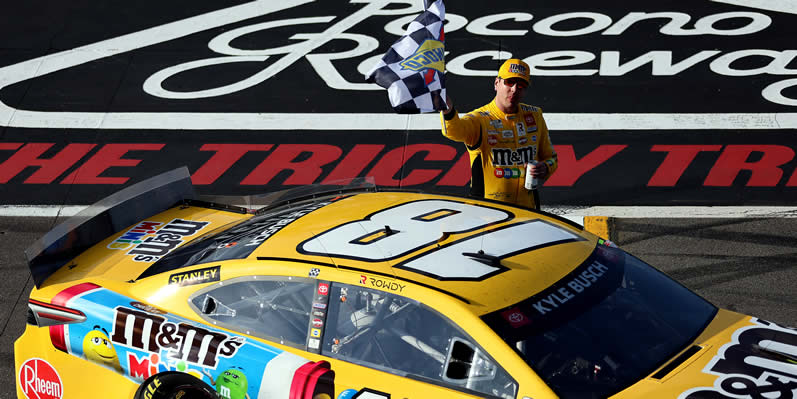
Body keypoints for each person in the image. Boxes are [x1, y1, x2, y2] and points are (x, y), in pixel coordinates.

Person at [440, 58, 558, 209]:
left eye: (521, 85)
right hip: (487, 212)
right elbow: (453, 131)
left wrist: (545, 167)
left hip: (528, 210)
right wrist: (447, 110)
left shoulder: (535, 116)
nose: (515, 89)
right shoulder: (479, 119)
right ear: (497, 83)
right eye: (509, 82)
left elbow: (552, 158)